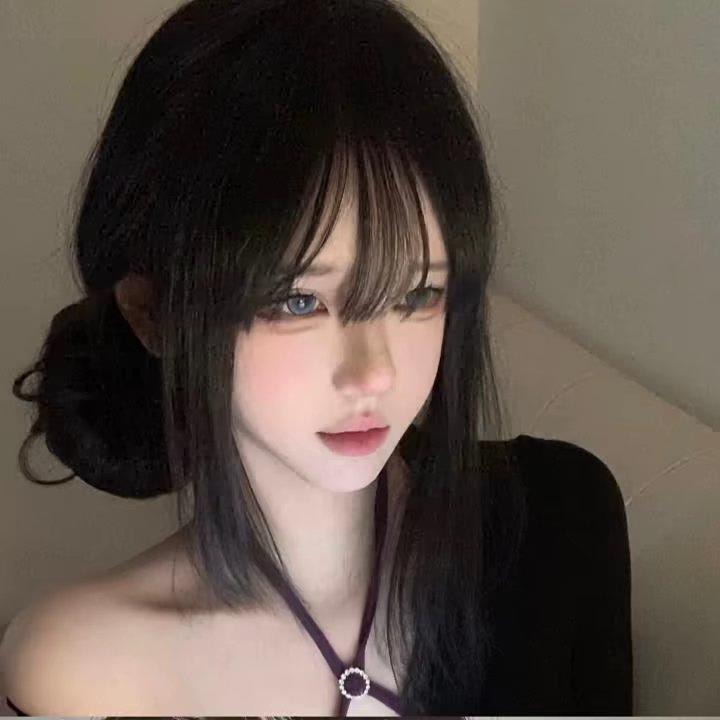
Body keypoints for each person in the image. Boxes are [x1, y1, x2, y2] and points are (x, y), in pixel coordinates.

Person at [0, 0, 633, 715]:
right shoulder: (86, 668)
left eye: (417, 293)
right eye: (299, 301)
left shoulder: (556, 526)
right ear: (154, 315)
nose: (374, 373)